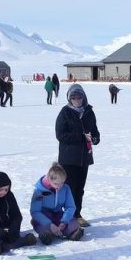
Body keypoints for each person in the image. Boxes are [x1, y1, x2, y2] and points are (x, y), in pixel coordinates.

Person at [55, 84, 99, 228]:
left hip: (84, 157)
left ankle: (77, 214)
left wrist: (95, 138)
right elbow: (60, 135)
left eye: (79, 96)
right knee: (69, 188)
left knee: (80, 188)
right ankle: (67, 216)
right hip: (68, 158)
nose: (77, 99)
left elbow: (94, 130)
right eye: (73, 97)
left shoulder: (89, 112)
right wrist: (80, 137)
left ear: (83, 97)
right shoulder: (65, 112)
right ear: (69, 98)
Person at [30, 163, 84, 243]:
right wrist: (49, 224)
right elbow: (35, 211)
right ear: (49, 179)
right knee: (43, 228)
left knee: (73, 225)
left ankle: (72, 232)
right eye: (56, 183)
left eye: (62, 183)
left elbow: (70, 206)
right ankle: (45, 235)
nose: (59, 186)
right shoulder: (39, 190)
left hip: (58, 214)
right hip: (44, 216)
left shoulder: (66, 188)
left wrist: (64, 221)